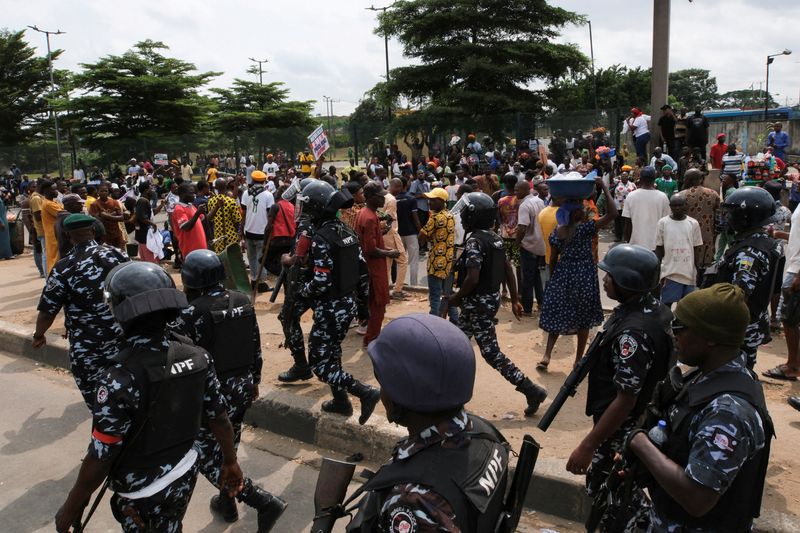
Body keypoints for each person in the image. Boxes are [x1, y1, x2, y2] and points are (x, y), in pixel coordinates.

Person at [54, 261, 245, 533]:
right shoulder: (198, 357)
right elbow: (219, 419)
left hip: (142, 489)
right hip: (185, 471)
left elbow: (101, 455)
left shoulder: (119, 377)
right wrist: (230, 461)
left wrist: (72, 506)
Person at [629, 283, 772, 533]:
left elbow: (697, 498)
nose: (673, 334)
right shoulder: (705, 377)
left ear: (710, 339)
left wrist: (639, 443)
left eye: (680, 328)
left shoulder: (728, 411)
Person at [347, 314, 509, 531]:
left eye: (385, 384)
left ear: (401, 397)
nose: (382, 392)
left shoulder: (413, 503)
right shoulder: (484, 432)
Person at [175, 250, 287, 530]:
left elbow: (184, 360)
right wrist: (256, 381)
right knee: (230, 445)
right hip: (243, 386)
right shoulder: (242, 300)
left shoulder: (191, 313)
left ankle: (261, 500)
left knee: (202, 454)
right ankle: (227, 503)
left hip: (212, 393)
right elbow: (255, 345)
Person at [566, 244, 673, 532]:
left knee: (612, 493)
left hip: (622, 429)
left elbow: (625, 399)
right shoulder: (652, 309)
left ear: (628, 283)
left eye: (610, 276)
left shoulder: (633, 333)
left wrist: (587, 446)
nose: (605, 280)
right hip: (639, 421)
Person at [447, 192, 548, 416]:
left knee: (490, 353)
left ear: (474, 216)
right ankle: (450, 395)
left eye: (465, 213)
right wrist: (514, 299)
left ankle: (530, 389)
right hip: (487, 300)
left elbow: (472, 278)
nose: (462, 217)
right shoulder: (494, 238)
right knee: (456, 345)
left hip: (477, 302)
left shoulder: (475, 241)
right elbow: (508, 269)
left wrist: (455, 299)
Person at [297, 180, 380, 422]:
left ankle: (363, 392)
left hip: (330, 308)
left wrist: (303, 291)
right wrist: (363, 306)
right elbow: (363, 273)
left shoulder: (321, 237)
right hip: (348, 305)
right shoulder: (347, 231)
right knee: (332, 354)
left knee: (319, 364)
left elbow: (321, 281)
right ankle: (341, 402)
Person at [33, 213, 129, 408]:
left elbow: (47, 311)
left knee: (99, 403)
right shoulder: (118, 255)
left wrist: (39, 335)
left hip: (88, 349)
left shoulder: (64, 267)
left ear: (68, 236)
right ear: (93, 231)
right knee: (129, 396)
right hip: (124, 341)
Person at [538, 178, 618, 369]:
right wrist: (604, 187)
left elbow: (552, 260)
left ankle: (547, 355)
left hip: (563, 275)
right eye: (580, 209)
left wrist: (553, 279)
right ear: (575, 214)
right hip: (584, 275)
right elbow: (613, 213)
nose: (584, 211)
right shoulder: (585, 229)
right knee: (583, 318)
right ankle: (578, 360)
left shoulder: (557, 233)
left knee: (558, 314)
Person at [711, 186, 782, 369]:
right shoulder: (767, 243)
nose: (727, 218)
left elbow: (737, 298)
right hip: (753, 324)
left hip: (738, 332)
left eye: (732, 213)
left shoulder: (749, 254)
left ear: (746, 218)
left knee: (733, 375)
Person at [276, 179, 316, 383]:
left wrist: (286, 258)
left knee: (288, 319)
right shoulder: (326, 218)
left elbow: (298, 259)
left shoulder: (306, 224)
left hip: (305, 283)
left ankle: (302, 365)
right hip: (323, 282)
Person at [355, 182, 400, 346]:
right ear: (371, 197)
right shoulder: (369, 217)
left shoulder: (366, 213)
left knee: (374, 305)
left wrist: (384, 247)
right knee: (378, 306)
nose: (383, 198)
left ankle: (372, 337)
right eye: (380, 196)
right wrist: (390, 252)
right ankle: (372, 339)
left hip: (371, 266)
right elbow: (370, 249)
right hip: (374, 268)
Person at [656, 195, 703, 306]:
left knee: (686, 307)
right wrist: (658, 269)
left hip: (689, 273)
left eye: (680, 205)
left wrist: (698, 268)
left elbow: (696, 248)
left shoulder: (693, 223)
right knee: (666, 304)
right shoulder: (663, 223)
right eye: (674, 205)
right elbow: (659, 247)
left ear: (685, 206)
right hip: (670, 273)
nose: (677, 208)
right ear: (670, 207)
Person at [419, 187, 457, 320]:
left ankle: (434, 321)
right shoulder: (450, 216)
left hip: (436, 261)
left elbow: (421, 236)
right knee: (448, 293)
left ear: (441, 201)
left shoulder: (435, 217)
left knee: (435, 295)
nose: (429, 203)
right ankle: (455, 320)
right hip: (449, 260)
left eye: (433, 200)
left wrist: (429, 239)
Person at [678, 169, 721, 268]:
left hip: (686, 236)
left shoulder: (681, 196)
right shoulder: (713, 194)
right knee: (705, 266)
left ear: (689, 180)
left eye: (685, 178)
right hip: (706, 237)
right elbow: (719, 219)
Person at [622, 166, 670, 251]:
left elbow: (627, 224)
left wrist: (628, 243)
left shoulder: (631, 196)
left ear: (640, 179)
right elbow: (666, 224)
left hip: (635, 246)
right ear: (654, 179)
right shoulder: (663, 197)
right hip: (656, 247)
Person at [516, 180, 546, 315]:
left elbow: (522, 227)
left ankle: (527, 308)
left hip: (528, 245)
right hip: (540, 244)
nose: (516, 192)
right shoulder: (539, 201)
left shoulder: (525, 205)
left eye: (518, 190)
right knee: (536, 276)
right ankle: (541, 303)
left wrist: (517, 243)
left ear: (525, 190)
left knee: (527, 278)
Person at [241, 170, 274, 292]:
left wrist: (241, 231)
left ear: (253, 180)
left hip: (248, 230)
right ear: (264, 181)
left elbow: (243, 214)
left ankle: (254, 280)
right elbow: (270, 215)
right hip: (262, 232)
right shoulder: (268, 195)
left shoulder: (245, 194)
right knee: (261, 258)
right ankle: (261, 283)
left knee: (252, 258)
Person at [384, 178, 409, 299]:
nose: (399, 190)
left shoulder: (383, 196)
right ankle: (397, 290)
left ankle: (385, 291)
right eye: (399, 187)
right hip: (391, 234)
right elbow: (389, 219)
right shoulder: (392, 199)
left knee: (387, 264)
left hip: (383, 235)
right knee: (403, 261)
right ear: (396, 186)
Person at [207, 178, 242, 254]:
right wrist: (236, 233)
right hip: (231, 236)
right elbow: (237, 220)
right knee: (232, 259)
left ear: (215, 188)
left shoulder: (211, 201)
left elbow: (210, 219)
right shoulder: (231, 201)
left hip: (218, 236)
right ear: (226, 186)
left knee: (221, 259)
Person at [88, 184, 126, 249]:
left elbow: (122, 218)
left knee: (118, 252)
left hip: (116, 233)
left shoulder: (114, 202)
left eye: (105, 191)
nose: (104, 193)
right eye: (101, 191)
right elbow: (98, 220)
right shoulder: (94, 204)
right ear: (98, 192)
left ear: (108, 192)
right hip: (103, 235)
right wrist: (113, 214)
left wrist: (107, 216)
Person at [134, 183, 164, 264]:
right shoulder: (143, 201)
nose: (153, 190)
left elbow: (151, 213)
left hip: (145, 234)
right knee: (150, 260)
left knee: (147, 260)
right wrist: (153, 224)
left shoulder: (144, 200)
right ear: (146, 190)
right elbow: (142, 217)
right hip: (145, 235)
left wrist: (161, 205)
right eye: (151, 188)